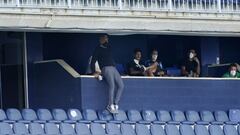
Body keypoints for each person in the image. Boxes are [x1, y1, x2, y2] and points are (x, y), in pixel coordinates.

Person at [91, 35, 124, 114]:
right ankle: (110, 105)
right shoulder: (98, 48)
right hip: (105, 68)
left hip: (113, 68)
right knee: (112, 85)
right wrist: (94, 72)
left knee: (121, 85)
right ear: (101, 39)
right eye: (105, 38)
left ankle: (115, 103)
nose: (106, 40)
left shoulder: (109, 47)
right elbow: (93, 61)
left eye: (107, 38)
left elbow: (109, 57)